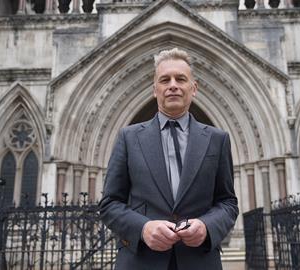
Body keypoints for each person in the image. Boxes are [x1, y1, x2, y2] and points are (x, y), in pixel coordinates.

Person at [99, 48, 238, 270]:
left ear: (194, 88)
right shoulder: (128, 137)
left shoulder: (218, 139)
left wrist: (206, 226)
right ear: (155, 89)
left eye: (180, 79)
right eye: (165, 80)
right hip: (141, 261)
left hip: (199, 261)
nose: (173, 85)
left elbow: (228, 203)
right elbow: (109, 204)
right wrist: (142, 229)